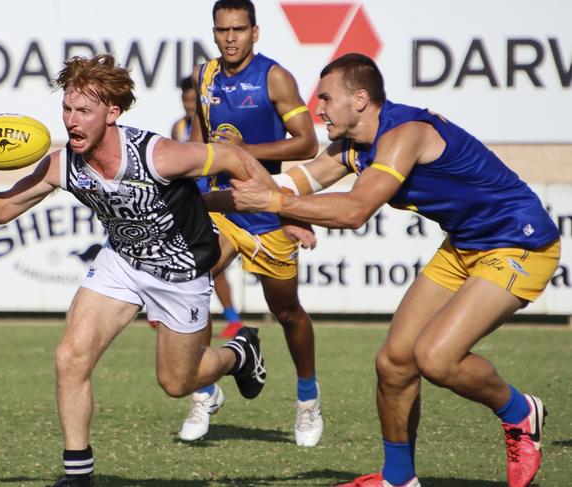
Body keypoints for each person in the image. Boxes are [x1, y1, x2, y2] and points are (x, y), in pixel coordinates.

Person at [0, 54, 269, 487]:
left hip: (181, 273)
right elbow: (0, 208)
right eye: (67, 109)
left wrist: (278, 206)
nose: (71, 121)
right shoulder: (64, 165)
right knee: (69, 357)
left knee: (177, 382)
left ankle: (238, 354)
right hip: (123, 262)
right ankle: (78, 475)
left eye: (84, 111)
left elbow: (232, 158)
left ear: (112, 113)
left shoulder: (159, 156)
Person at [232, 53, 560, 487]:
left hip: (519, 241)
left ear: (361, 100)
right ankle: (399, 479)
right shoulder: (354, 145)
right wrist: (208, 191)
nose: (319, 108)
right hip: (463, 247)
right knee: (394, 363)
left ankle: (520, 411)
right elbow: (296, 182)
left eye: (327, 98)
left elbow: (354, 210)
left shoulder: (405, 134)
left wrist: (274, 204)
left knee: (436, 358)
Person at [178, 0, 323, 447]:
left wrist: (242, 155)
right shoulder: (204, 76)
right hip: (221, 206)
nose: (231, 38)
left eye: (239, 29)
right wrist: (189, 187)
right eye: (223, 30)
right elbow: (201, 140)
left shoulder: (274, 77)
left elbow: (307, 143)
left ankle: (307, 399)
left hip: (264, 209)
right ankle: (204, 390)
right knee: (191, 281)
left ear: (255, 32)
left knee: (287, 312)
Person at [170, 75, 245, 338]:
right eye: (186, 100)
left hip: (217, 201)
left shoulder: (216, 129)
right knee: (196, 262)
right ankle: (171, 310)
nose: (190, 105)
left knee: (209, 261)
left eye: (194, 100)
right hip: (191, 202)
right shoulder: (178, 128)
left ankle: (233, 318)